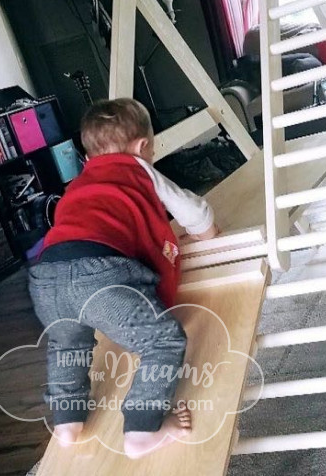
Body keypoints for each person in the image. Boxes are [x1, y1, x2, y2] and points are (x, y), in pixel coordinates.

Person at [28, 98, 218, 459]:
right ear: (142, 147)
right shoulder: (137, 168)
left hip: (46, 275)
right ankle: (142, 429)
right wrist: (208, 232)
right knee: (162, 341)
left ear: (88, 156)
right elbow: (190, 209)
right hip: (99, 274)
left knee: (67, 346)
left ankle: (67, 420)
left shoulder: (80, 182)